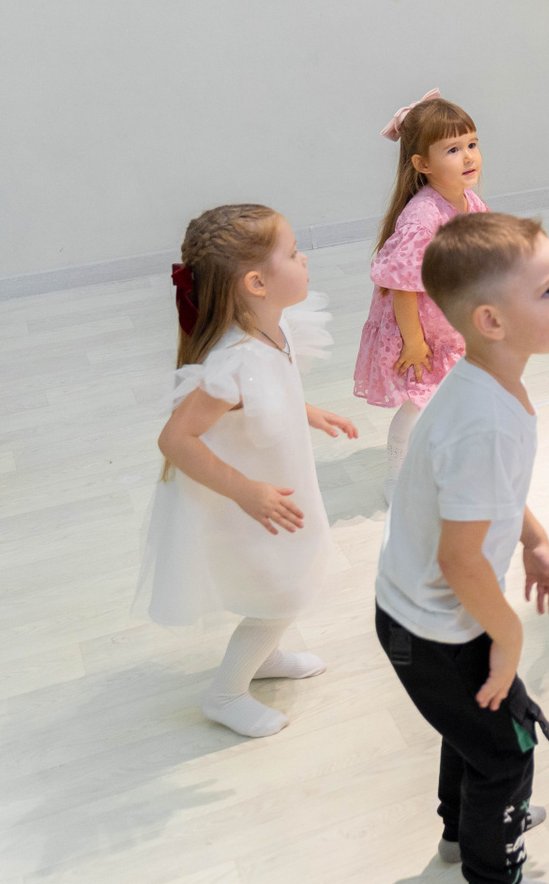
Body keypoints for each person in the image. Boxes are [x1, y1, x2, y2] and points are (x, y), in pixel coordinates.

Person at [374, 212, 549, 884]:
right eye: (547, 292)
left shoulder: (483, 386)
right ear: (491, 321)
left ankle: (464, 834)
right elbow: (458, 560)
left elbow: (486, 497)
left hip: (427, 616)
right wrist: (508, 636)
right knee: (505, 754)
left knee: (474, 729)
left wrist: (533, 538)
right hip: (434, 629)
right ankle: (491, 867)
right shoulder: (482, 422)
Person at [143, 203, 358, 738]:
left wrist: (308, 412)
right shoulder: (234, 361)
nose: (304, 258)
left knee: (290, 577)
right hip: (249, 503)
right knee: (280, 591)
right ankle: (225, 694)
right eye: (293, 253)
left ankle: (265, 657)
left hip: (280, 486)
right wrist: (246, 492)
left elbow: (269, 390)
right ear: (257, 283)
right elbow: (175, 439)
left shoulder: (272, 329)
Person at [354, 90, 486, 502]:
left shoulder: (468, 200)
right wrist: (413, 342)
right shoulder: (421, 217)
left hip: (452, 323)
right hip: (425, 332)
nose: (468, 157)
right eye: (453, 150)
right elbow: (402, 288)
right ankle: (397, 475)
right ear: (422, 164)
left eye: (472, 144)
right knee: (418, 403)